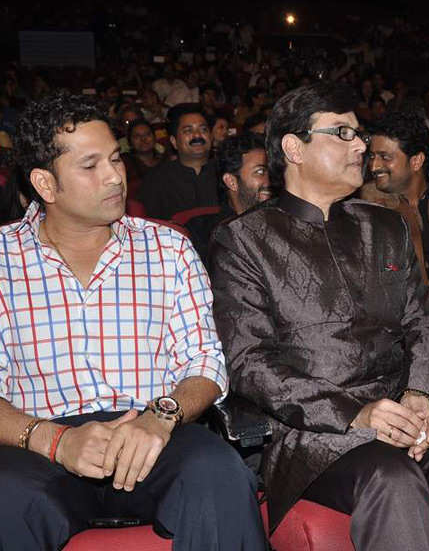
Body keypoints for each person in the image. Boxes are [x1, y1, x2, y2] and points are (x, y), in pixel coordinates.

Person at [209, 82, 429, 551]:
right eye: (342, 132)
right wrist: (356, 413)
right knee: (392, 475)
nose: (361, 145)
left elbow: (425, 324)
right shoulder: (244, 240)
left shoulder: (383, 225)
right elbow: (249, 364)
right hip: (317, 435)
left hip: (403, 413)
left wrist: (420, 393)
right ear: (293, 148)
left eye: (359, 133)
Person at [0, 92, 265, 551]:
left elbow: (204, 361)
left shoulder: (168, 249)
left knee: (219, 474)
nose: (114, 177)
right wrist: (53, 440)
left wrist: (160, 418)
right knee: (7, 500)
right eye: (90, 166)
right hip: (38, 443)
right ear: (45, 183)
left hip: (154, 434)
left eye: (116, 159)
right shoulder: (3, 259)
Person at [361, 110, 429, 289]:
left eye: (385, 157)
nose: (374, 166)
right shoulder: (369, 204)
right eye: (372, 156)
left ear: (416, 161)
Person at [186, 132, 272, 263]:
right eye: (260, 172)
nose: (269, 181)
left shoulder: (283, 222)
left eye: (271, 172)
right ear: (231, 181)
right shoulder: (207, 234)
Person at [139, 103, 219, 219]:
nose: (197, 135)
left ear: (211, 137)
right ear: (174, 141)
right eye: (188, 131)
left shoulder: (227, 174)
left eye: (203, 129)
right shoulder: (155, 179)